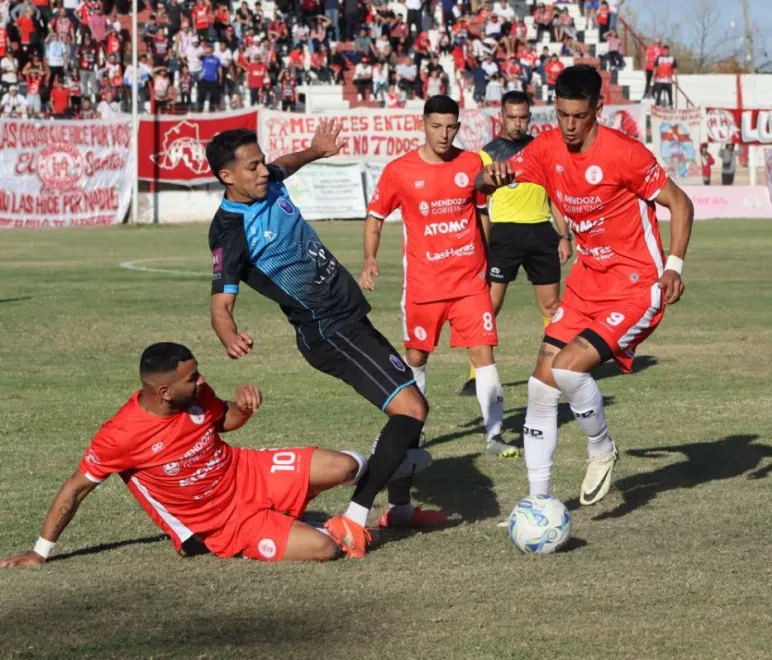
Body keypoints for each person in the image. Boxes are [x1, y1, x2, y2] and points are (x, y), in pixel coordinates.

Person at [206, 125, 442, 560]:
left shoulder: (268, 181)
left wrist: (316, 150)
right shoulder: (229, 231)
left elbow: (285, 165)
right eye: (252, 166)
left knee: (410, 399)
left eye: (262, 161)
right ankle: (353, 518)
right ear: (226, 176)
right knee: (410, 408)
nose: (264, 171)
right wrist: (230, 335)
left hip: (349, 316)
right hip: (329, 331)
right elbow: (220, 302)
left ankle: (402, 508)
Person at [0, 342, 426, 567]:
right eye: (192, 377)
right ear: (164, 392)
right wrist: (40, 551)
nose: (201, 380)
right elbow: (75, 490)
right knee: (325, 550)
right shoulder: (120, 435)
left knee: (346, 465)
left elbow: (224, 421)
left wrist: (245, 409)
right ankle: (307, 523)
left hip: (248, 472)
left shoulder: (194, 394)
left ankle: (380, 469)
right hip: (224, 523)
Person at [478, 65, 694, 505]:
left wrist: (674, 266)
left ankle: (601, 448)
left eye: (580, 116)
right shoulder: (547, 148)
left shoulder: (624, 153)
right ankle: (538, 503)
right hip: (585, 284)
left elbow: (680, 201)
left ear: (598, 108)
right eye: (562, 115)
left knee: (567, 367)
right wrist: (491, 177)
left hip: (636, 285)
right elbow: (490, 178)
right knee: (540, 384)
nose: (570, 126)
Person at [362, 95, 515, 457]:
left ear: (458, 127)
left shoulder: (472, 162)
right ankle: (416, 431)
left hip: (468, 283)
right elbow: (375, 216)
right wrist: (369, 259)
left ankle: (494, 437)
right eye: (436, 126)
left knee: (484, 354)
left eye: (450, 127)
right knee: (415, 359)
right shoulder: (400, 170)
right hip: (424, 285)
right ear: (423, 125)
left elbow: (482, 214)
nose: (444, 134)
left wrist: (487, 259)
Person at [460, 91, 571, 397]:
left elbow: (555, 197)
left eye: (523, 117)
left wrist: (564, 235)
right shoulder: (487, 153)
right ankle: (476, 374)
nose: (518, 123)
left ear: (529, 118)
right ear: (501, 117)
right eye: (512, 117)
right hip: (504, 236)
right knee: (488, 306)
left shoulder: (542, 150)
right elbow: (479, 204)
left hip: (541, 233)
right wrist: (479, 244)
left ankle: (556, 368)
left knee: (551, 305)